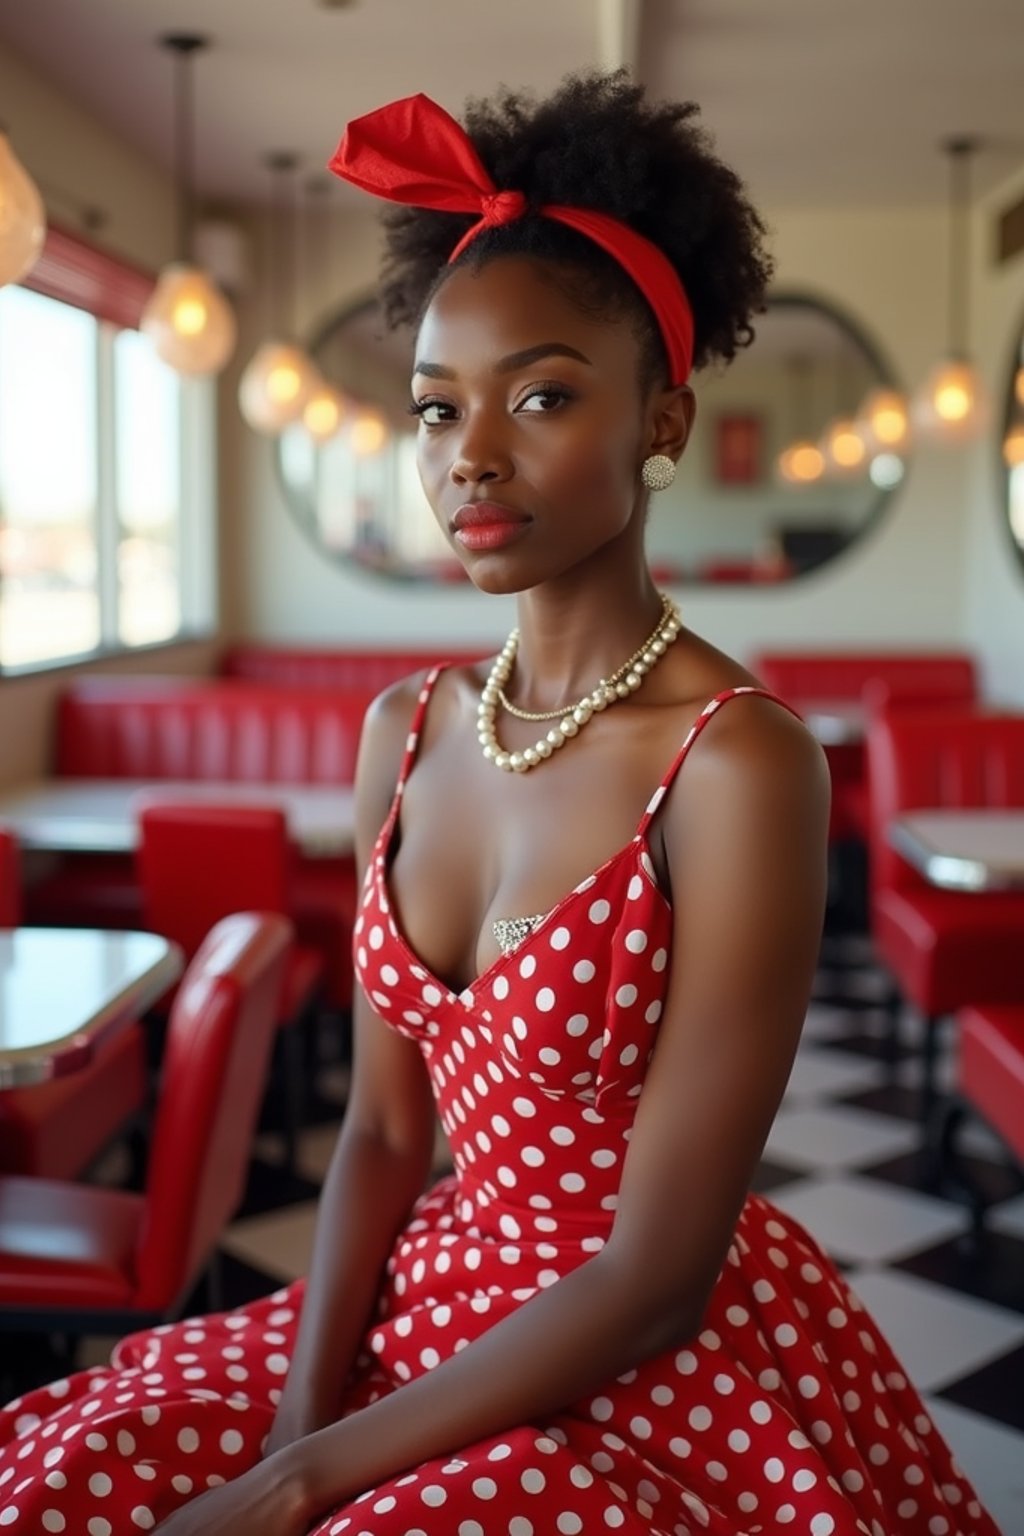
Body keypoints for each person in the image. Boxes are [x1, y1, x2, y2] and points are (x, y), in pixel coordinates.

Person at [0, 72, 998, 1536]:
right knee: (66, 1476)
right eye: (434, 407)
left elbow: (655, 1278)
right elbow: (386, 1142)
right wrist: (290, 1432)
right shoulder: (405, 731)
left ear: (664, 416)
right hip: (421, 1306)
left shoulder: (738, 762)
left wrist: (304, 1487)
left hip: (637, 1359)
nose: (468, 453)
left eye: (540, 396)